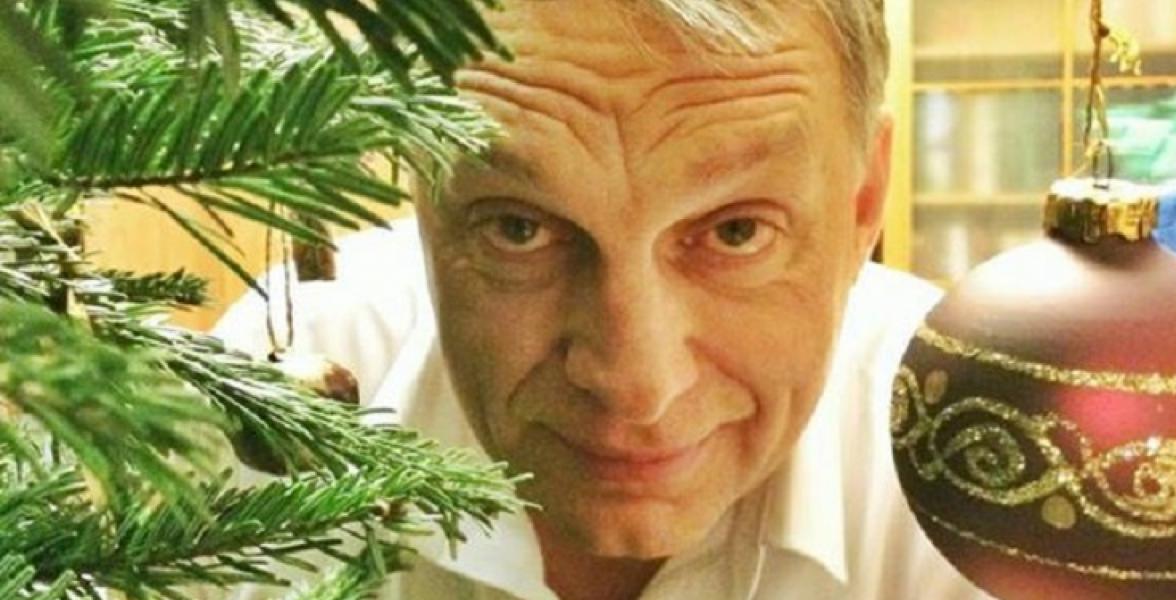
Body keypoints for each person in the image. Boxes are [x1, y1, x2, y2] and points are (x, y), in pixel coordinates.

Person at [212, 1, 989, 598]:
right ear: (422, 192)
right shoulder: (289, 386)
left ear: (862, 203)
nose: (637, 385)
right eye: (517, 229)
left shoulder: (975, 452)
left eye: (737, 231)